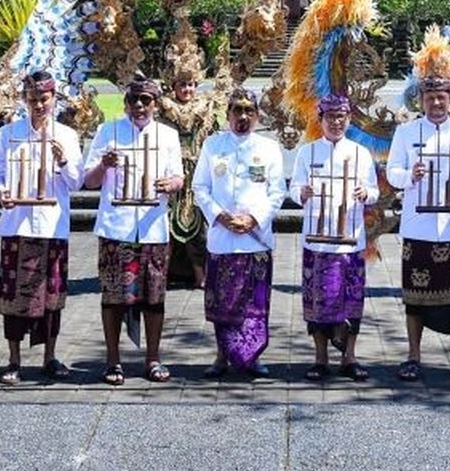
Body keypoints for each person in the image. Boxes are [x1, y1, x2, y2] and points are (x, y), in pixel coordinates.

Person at [83, 75, 183, 385]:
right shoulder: (107, 131)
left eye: (146, 101)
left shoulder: (167, 135)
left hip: (152, 228)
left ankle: (152, 358)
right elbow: (89, 181)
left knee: (154, 297)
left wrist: (172, 184)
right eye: (133, 101)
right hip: (118, 227)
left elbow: (178, 177)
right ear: (125, 104)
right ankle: (113, 360)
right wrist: (104, 165)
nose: (139, 106)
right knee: (113, 296)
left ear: (156, 105)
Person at [388, 75, 450, 382]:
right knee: (415, 298)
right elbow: (392, 172)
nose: (436, 103)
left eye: (442, 96)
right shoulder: (406, 132)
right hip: (419, 227)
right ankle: (413, 355)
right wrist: (409, 176)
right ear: (421, 99)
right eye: (430, 97)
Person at [0, 71, 82, 386]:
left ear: (54, 98)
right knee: (14, 295)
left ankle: (50, 357)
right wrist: (1, 192)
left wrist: (64, 160)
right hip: (18, 225)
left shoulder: (67, 135)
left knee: (52, 296)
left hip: (52, 225)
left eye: (44, 99)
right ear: (24, 100)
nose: (39, 105)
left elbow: (76, 182)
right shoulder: (9, 134)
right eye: (32, 99)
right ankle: (13, 359)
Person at [193, 88, 285, 378]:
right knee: (223, 303)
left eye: (249, 111)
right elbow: (200, 188)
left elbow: (277, 191)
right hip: (222, 238)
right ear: (228, 114)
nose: (242, 117)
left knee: (254, 304)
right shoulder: (213, 145)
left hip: (254, 240)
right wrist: (220, 216)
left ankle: (253, 357)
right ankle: (221, 356)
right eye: (237, 110)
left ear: (257, 116)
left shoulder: (268, 148)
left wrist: (254, 220)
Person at [288, 94, 378, 382]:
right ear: (321, 120)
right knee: (317, 302)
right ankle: (320, 358)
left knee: (352, 300)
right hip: (317, 239)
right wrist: (300, 193)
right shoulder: (308, 153)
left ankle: (349, 357)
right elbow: (293, 188)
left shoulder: (361, 153)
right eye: (330, 117)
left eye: (341, 117)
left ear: (349, 120)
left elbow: (374, 191)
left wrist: (366, 194)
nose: (336, 123)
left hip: (351, 238)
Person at [156, 41, 222, 289]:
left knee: (197, 227)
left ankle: (200, 275)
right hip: (171, 172)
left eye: (191, 84)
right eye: (182, 84)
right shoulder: (163, 108)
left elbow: (213, 140)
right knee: (167, 224)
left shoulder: (205, 109)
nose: (187, 89)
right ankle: (161, 274)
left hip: (197, 173)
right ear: (173, 86)